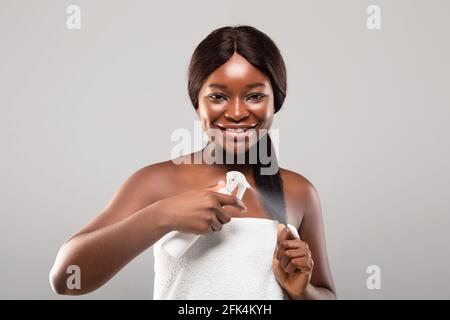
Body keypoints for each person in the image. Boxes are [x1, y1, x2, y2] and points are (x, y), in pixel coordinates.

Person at [49, 25, 336, 300]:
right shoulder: (156, 182)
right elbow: (66, 278)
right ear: (197, 102)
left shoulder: (299, 193)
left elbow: (326, 294)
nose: (236, 112)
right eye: (218, 96)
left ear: (276, 101)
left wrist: (302, 291)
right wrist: (162, 215)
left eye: (255, 96)